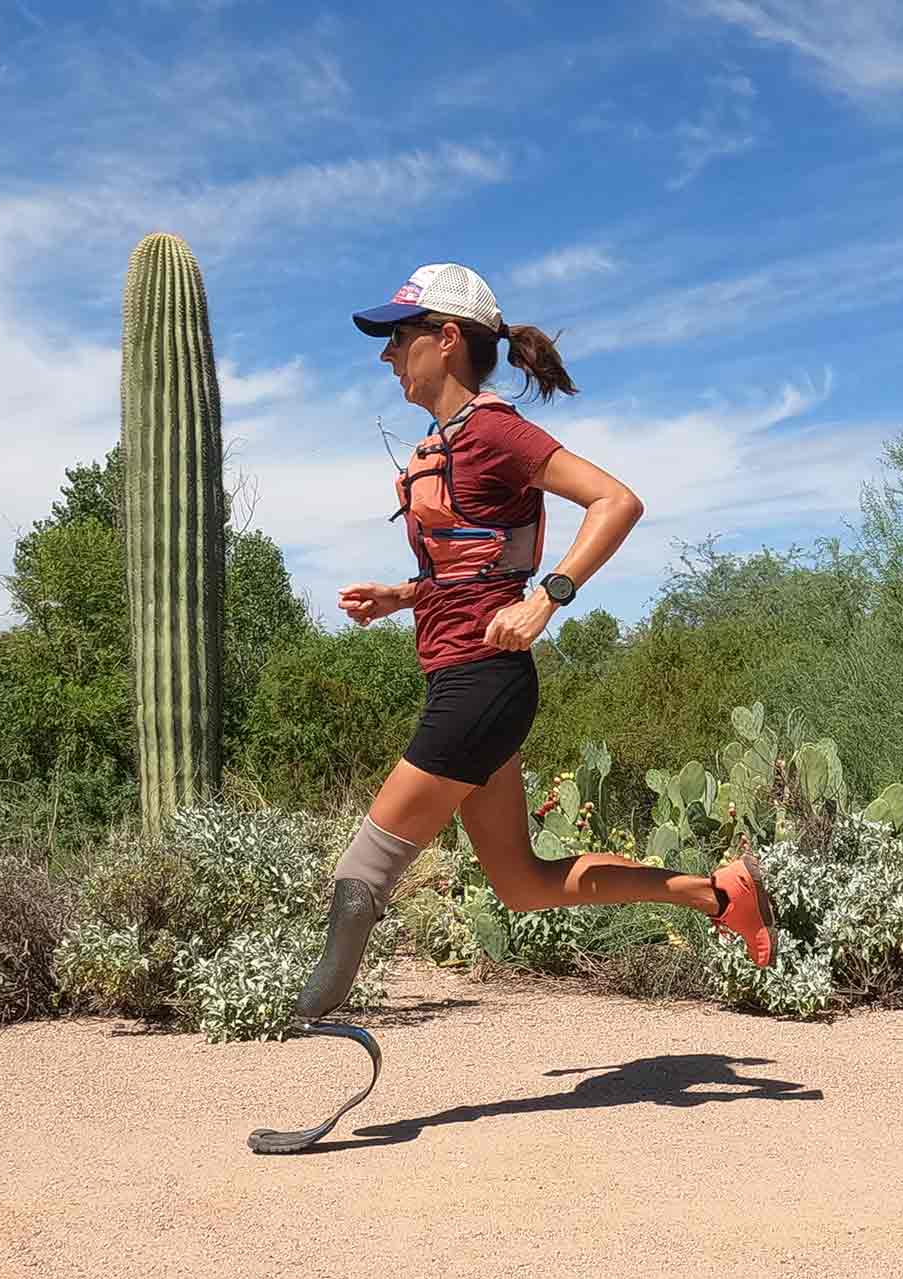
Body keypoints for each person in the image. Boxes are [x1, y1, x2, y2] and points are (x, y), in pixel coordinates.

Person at [289, 262, 776, 1028]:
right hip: (468, 678)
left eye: (398, 337)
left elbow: (616, 500)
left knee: (362, 873)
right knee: (520, 885)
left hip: (483, 684)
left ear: (446, 340)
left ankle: (301, 1020)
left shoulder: (493, 430)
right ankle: (716, 892)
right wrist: (403, 594)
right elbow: (480, 564)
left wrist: (550, 597)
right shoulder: (444, 441)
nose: (386, 355)